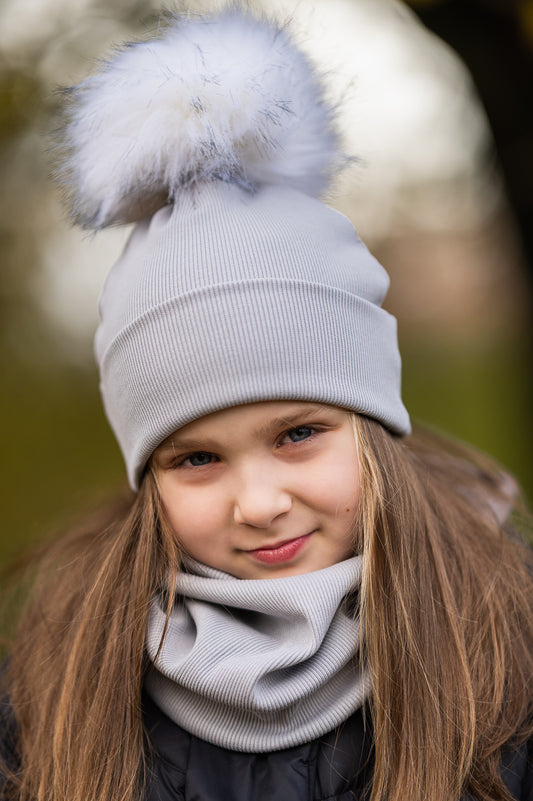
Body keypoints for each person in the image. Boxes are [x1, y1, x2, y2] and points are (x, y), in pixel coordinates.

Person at [1, 7, 532, 801]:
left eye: (298, 433)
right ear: (147, 473)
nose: (258, 502)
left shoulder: (504, 653)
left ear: (373, 427)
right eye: (197, 457)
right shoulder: (54, 687)